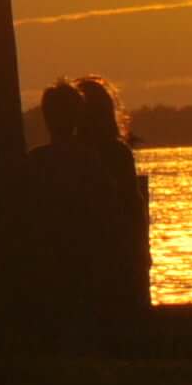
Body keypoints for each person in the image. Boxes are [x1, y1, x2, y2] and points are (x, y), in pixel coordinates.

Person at [70, 75, 148, 323]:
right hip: (117, 246)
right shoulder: (117, 153)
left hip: (83, 250)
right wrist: (140, 250)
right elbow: (133, 206)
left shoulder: (73, 153)